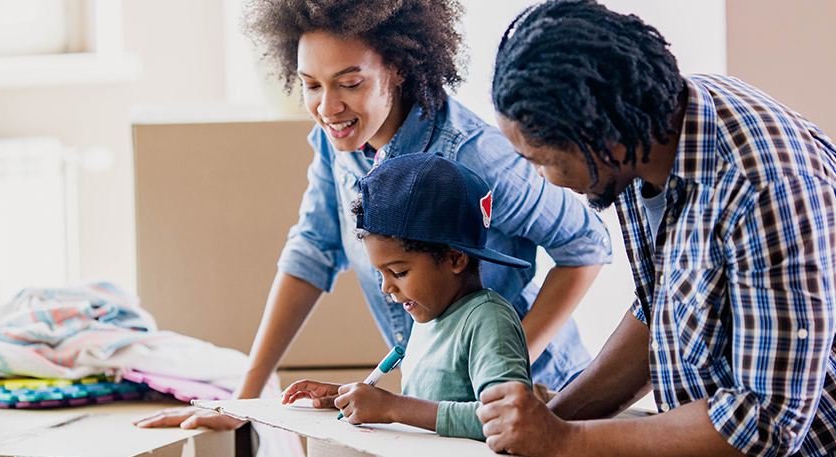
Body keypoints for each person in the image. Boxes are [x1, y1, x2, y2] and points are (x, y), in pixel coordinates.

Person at [135, 0, 611, 432]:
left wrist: (497, 362)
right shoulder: (336, 141)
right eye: (311, 85)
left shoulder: (473, 156)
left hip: (538, 401)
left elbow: (586, 243)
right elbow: (313, 250)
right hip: (441, 406)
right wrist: (242, 403)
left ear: (400, 68)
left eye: (350, 83)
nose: (328, 107)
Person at [477, 1, 836, 456]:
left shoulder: (765, 187)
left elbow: (765, 422)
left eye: (546, 161)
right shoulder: (645, 140)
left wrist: (564, 440)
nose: (548, 180)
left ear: (600, 134)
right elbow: (663, 311)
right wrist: (550, 420)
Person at [282, 153, 533, 441]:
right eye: (381, 274)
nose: (386, 288)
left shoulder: (488, 320)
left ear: (455, 258)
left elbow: (508, 418)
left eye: (398, 272)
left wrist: (393, 407)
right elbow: (430, 408)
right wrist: (348, 398)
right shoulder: (431, 316)